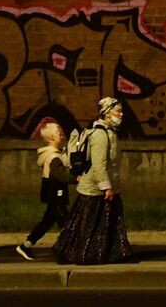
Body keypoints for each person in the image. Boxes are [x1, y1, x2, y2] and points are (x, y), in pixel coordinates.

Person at [53, 97, 132, 264]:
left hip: (105, 188)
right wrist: (106, 187)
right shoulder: (100, 135)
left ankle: (111, 253)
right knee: (89, 226)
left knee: (107, 224)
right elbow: (98, 165)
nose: (121, 114)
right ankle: (83, 254)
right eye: (118, 111)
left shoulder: (110, 133)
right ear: (107, 113)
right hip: (95, 190)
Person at [16, 117, 71, 260]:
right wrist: (77, 178)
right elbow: (63, 177)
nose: (62, 134)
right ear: (52, 137)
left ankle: (25, 245)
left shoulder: (54, 155)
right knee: (67, 223)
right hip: (56, 195)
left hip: (52, 195)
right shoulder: (53, 157)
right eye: (59, 133)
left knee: (46, 222)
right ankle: (67, 249)